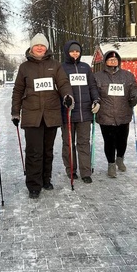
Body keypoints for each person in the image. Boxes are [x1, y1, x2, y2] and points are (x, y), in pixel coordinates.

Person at [11, 33, 74, 198]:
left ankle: (46, 179)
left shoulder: (55, 65)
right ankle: (33, 184)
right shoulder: (24, 67)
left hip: (51, 114)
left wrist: (67, 96)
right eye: (36, 45)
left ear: (47, 48)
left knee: (47, 150)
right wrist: (15, 112)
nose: (39, 48)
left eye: (42, 45)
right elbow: (17, 90)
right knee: (33, 151)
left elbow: (63, 83)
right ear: (32, 48)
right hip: (32, 115)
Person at [94, 50, 137, 178]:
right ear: (105, 61)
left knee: (122, 140)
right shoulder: (97, 76)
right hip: (106, 114)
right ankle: (111, 164)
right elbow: (94, 91)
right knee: (109, 141)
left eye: (115, 60)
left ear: (118, 61)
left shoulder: (127, 75)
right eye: (110, 59)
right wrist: (95, 101)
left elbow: (134, 88)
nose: (112, 62)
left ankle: (120, 158)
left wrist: (135, 97)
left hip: (123, 113)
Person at [60, 40, 100, 183]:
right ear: (67, 52)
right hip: (68, 113)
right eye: (72, 51)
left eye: (77, 51)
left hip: (85, 113)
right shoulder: (62, 68)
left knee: (83, 142)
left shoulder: (85, 68)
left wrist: (96, 100)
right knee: (68, 143)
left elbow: (92, 86)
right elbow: (58, 88)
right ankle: (71, 169)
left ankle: (85, 172)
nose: (75, 53)